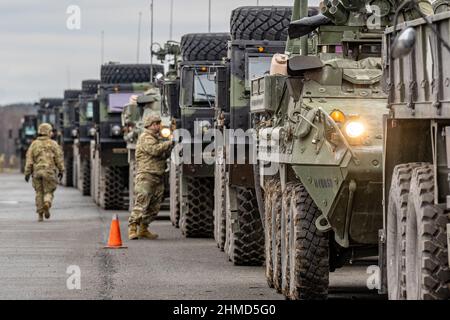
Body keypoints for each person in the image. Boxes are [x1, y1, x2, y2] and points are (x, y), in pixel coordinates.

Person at [128, 115, 174, 240]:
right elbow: (154, 150)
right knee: (142, 202)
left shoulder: (157, 138)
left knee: (155, 205)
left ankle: (143, 228)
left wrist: (170, 146)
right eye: (156, 123)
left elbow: (162, 154)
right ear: (149, 125)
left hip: (157, 175)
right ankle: (133, 227)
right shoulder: (145, 137)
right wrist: (171, 142)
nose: (159, 126)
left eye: (159, 123)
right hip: (146, 175)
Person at [24, 123, 65, 222]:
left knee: (39, 192)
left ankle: (40, 215)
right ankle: (47, 202)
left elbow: (29, 160)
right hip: (49, 171)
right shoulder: (53, 144)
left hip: (37, 172)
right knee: (49, 191)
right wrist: (61, 170)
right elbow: (59, 159)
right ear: (48, 132)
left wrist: (27, 173)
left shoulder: (33, 144)